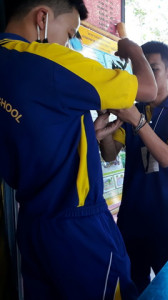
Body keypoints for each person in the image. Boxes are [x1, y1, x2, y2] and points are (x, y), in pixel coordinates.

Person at [0, 0, 157, 299]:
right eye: (70, 31)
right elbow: (147, 90)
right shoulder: (48, 60)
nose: (68, 43)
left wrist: (83, 134)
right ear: (42, 17)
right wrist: (132, 48)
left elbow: (32, 130)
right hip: (78, 227)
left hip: (32, 225)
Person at [98, 41, 168, 294]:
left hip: (166, 217)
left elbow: (166, 159)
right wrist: (105, 124)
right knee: (132, 287)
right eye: (142, 70)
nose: (148, 76)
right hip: (131, 215)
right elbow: (109, 154)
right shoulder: (132, 108)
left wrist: (137, 121)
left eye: (155, 69)